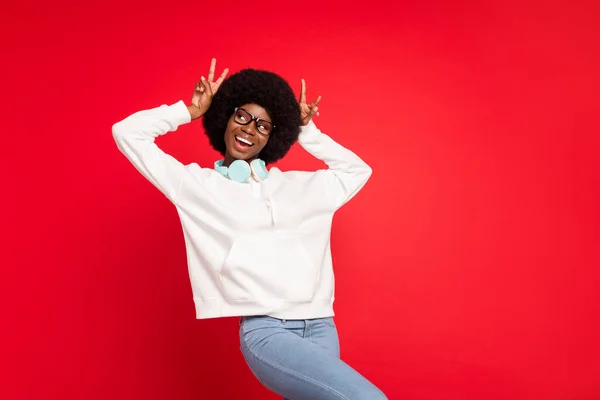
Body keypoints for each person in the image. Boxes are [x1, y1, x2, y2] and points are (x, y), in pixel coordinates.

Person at [112, 58, 387, 400]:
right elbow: (127, 133)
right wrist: (188, 110)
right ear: (226, 118)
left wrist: (308, 131)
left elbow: (356, 171)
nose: (249, 129)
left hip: (321, 326)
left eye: (263, 125)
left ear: (274, 136)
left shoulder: (301, 187)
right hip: (268, 331)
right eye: (242, 116)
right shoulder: (197, 186)